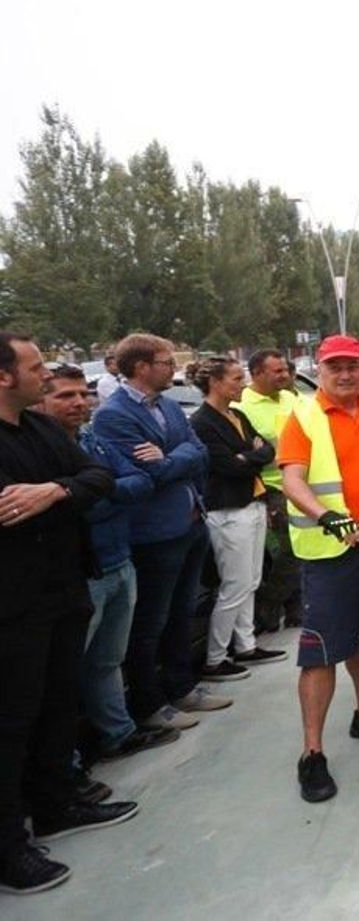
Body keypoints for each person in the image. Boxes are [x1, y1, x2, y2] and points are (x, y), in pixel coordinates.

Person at [0, 332, 132, 896]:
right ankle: (9, 850)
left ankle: (56, 803)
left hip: (65, 589)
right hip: (11, 607)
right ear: (5, 377)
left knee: (58, 703)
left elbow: (97, 478)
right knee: (10, 723)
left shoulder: (42, 429)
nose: (44, 376)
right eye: (34, 367)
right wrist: (59, 492)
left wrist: (53, 491)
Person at [276, 334, 359, 804]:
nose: (345, 373)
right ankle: (312, 753)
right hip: (328, 553)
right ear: (320, 367)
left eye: (352, 364)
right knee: (320, 653)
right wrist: (327, 516)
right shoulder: (305, 415)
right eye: (335, 366)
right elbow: (291, 478)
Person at [37, 368, 175, 762]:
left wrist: (95, 490)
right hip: (82, 573)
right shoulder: (39, 452)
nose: (80, 402)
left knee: (107, 660)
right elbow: (74, 511)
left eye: (84, 394)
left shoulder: (94, 440)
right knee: (63, 675)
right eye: (66, 395)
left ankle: (118, 733)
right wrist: (99, 491)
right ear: (40, 401)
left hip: (119, 560)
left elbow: (141, 481)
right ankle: (67, 766)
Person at [93, 333, 228, 732]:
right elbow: (148, 475)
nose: (175, 369)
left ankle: (182, 685)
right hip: (154, 534)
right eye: (167, 362)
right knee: (151, 620)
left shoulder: (168, 406)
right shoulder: (112, 415)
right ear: (141, 368)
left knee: (182, 613)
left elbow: (198, 453)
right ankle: (150, 704)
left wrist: (171, 457)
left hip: (190, 523)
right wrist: (177, 459)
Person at [189, 356, 284, 681]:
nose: (241, 383)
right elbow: (227, 465)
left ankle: (246, 644)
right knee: (235, 585)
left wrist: (250, 455)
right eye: (234, 378)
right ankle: (215, 659)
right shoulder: (202, 422)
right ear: (214, 382)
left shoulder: (238, 415)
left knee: (252, 580)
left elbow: (267, 450)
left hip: (253, 502)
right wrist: (250, 455)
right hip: (229, 511)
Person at [235, 348, 301, 632]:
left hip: (302, 482)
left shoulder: (291, 397)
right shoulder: (242, 405)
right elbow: (249, 452)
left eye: (286, 370)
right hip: (271, 487)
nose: (285, 376)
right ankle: (268, 602)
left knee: (302, 547)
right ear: (257, 373)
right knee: (291, 549)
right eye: (277, 372)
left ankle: (294, 609)